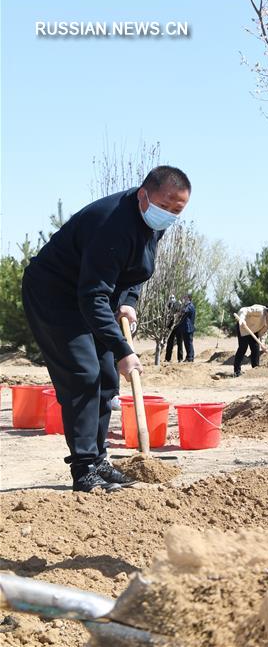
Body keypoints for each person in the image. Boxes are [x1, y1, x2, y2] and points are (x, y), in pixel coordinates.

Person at [22, 166, 191, 492]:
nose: (169, 214)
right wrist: (123, 350)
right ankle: (84, 469)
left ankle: (99, 460)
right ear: (143, 196)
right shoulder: (112, 225)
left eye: (177, 210)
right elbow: (92, 296)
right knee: (84, 374)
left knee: (106, 376)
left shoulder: (152, 223)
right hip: (55, 294)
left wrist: (129, 301)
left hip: (91, 295)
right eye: (164, 206)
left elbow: (135, 269)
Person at [233, 303, 268, 376]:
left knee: (255, 349)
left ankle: (255, 370)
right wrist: (242, 319)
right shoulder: (260, 310)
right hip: (243, 327)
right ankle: (237, 371)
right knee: (243, 348)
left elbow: (264, 333)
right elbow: (243, 310)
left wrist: (263, 344)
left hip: (254, 331)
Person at [164, 293, 184, 362]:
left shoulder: (178, 304)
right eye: (170, 298)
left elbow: (179, 313)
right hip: (170, 326)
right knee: (169, 342)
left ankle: (180, 358)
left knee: (179, 342)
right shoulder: (168, 305)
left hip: (178, 325)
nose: (171, 299)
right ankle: (167, 358)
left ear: (175, 298)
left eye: (173, 297)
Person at [179, 294, 196, 362]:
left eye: (185, 298)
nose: (184, 299)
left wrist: (181, 304)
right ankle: (189, 357)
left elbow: (184, 311)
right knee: (187, 343)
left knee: (189, 343)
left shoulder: (190, 306)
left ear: (189, 298)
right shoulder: (188, 305)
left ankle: (190, 357)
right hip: (186, 327)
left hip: (188, 328)